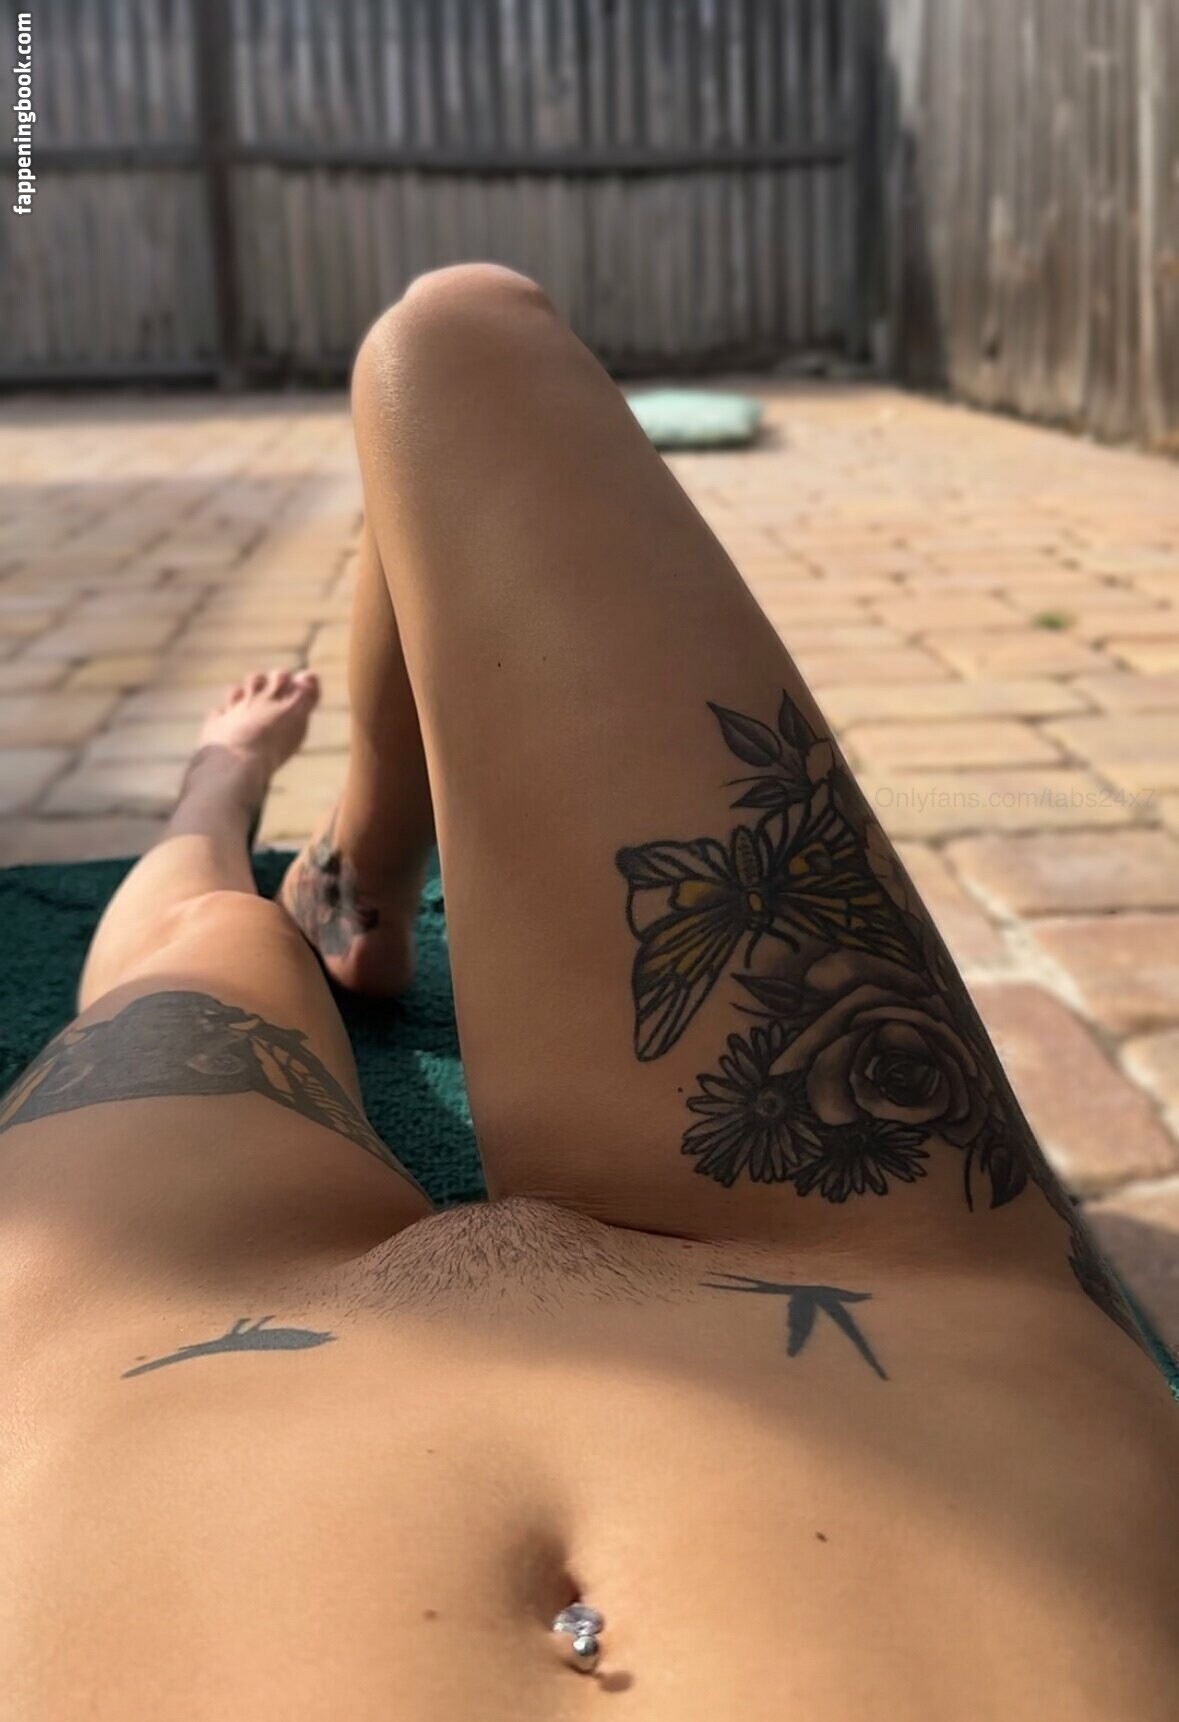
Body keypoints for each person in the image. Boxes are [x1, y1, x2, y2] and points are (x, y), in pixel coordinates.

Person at [2, 265, 1176, 1722]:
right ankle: (353, 861)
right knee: (458, 341)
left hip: (127, 1374)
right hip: (925, 1299)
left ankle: (236, 796)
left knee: (210, 930)